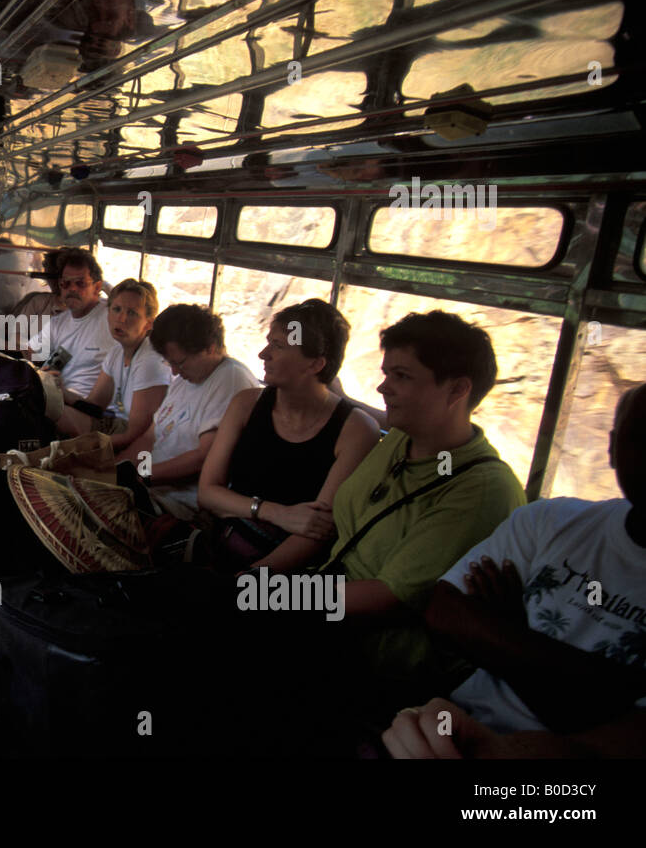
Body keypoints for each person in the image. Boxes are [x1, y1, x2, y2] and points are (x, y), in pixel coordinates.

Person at [382, 382, 646, 758]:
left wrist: (511, 629)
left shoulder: (484, 483)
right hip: (446, 725)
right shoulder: (549, 521)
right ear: (613, 448)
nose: (384, 386)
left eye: (400, 375)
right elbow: (445, 612)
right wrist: (608, 689)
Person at [314, 310, 526, 708]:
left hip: (375, 663)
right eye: (386, 373)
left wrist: (277, 596)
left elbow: (387, 597)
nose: (383, 387)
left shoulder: (481, 490)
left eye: (402, 376)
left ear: (457, 390)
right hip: (323, 602)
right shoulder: (400, 440)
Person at [197, 299, 380, 570]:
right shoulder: (246, 404)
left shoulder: (356, 430)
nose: (263, 354)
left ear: (315, 364)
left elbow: (316, 531)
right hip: (223, 542)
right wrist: (274, 512)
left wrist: (250, 578)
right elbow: (207, 492)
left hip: (287, 571)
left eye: (278, 346)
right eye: (269, 342)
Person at [120, 304, 259, 519]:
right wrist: (116, 469)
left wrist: (143, 476)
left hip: (177, 503)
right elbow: (150, 439)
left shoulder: (230, 379)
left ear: (210, 348)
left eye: (180, 362)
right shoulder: (185, 378)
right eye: (170, 363)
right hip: (149, 487)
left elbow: (204, 457)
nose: (174, 371)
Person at [56, 278, 170, 455]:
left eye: (132, 313)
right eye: (116, 309)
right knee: (51, 411)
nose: (121, 319)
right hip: (112, 424)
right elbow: (95, 405)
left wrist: (81, 447)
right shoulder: (117, 351)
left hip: (134, 442)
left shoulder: (150, 362)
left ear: (148, 323)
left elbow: (135, 435)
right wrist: (58, 392)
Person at [26, 248, 116, 403]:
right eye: (65, 283)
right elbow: (31, 352)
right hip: (55, 399)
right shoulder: (58, 323)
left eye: (80, 283)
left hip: (88, 409)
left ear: (97, 287)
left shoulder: (112, 317)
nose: (72, 289)